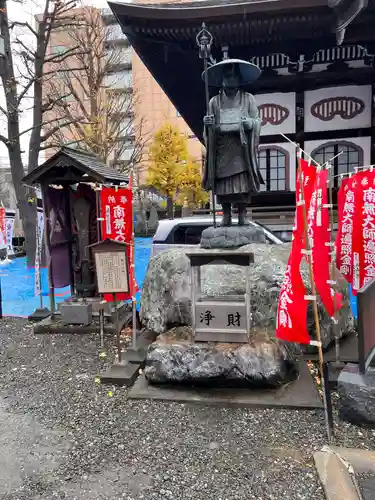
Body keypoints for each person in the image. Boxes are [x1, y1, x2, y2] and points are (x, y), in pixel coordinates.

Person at [202, 59, 263, 226]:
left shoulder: (248, 99)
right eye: (227, 76)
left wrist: (250, 124)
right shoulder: (214, 101)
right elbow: (210, 126)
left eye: (234, 76)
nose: (231, 80)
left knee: (242, 183)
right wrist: (208, 124)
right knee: (223, 185)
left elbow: (257, 120)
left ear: (239, 78)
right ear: (222, 79)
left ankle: (242, 214)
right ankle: (226, 214)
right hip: (222, 148)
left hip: (241, 147)